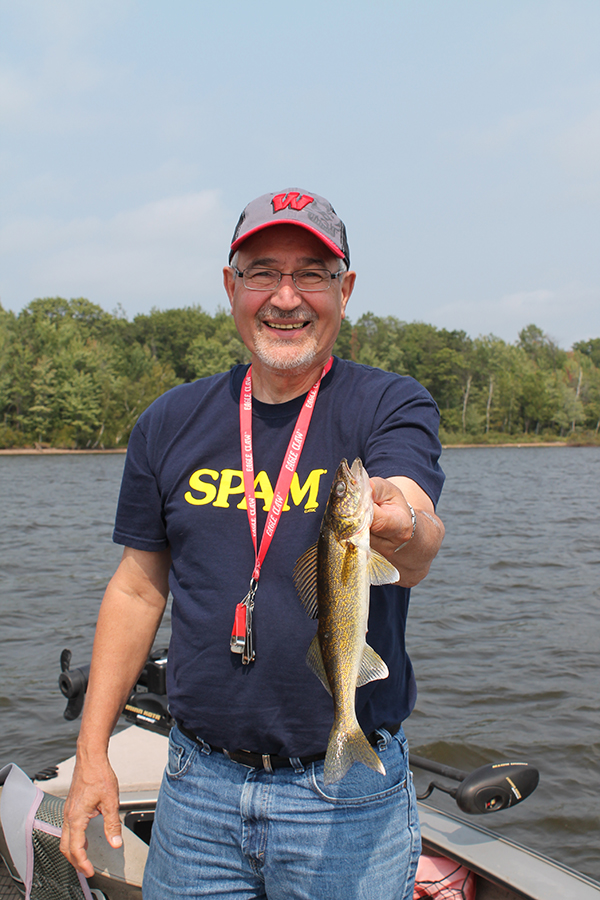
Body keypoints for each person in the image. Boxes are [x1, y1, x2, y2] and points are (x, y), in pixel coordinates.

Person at [60, 188, 445, 900]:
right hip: (195, 787)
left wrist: (402, 519)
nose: (286, 297)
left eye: (313, 274)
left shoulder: (388, 404)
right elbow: (138, 587)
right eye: (262, 272)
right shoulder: (169, 421)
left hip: (345, 799)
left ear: (346, 290)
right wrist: (92, 753)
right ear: (231, 287)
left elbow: (417, 543)